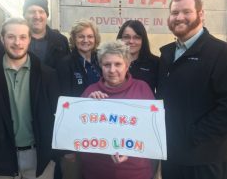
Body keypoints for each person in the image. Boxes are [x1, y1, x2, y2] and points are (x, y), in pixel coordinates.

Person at [0, 17, 59, 179]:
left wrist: (52, 155)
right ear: (2, 39)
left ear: (30, 39)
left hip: (39, 159)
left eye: (23, 37)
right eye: (11, 36)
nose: (17, 42)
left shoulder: (48, 75)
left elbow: (57, 117)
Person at [156, 0, 227, 179]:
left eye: (186, 11)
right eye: (174, 13)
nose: (179, 17)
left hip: (204, 159)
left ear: (201, 14)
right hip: (171, 156)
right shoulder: (167, 54)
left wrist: (194, 135)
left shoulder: (222, 53)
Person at [80, 40, 156, 179]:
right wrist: (87, 105)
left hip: (135, 172)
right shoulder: (90, 91)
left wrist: (131, 149)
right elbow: (78, 131)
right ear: (101, 66)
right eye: (107, 64)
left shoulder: (142, 89)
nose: (112, 70)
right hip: (96, 171)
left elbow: (151, 130)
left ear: (127, 65)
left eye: (118, 64)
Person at [56, 19, 101, 179]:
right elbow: (62, 105)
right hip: (74, 135)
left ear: (95, 39)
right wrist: (67, 148)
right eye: (81, 36)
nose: (86, 40)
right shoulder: (64, 64)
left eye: (90, 36)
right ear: (74, 39)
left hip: (99, 132)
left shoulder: (101, 62)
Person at [0, 0, 70, 68]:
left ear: (47, 15)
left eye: (41, 12)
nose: (37, 16)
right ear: (24, 15)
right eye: (32, 12)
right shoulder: (8, 40)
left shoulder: (60, 41)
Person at [117, 20, 159, 93]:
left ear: (143, 40)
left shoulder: (155, 63)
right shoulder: (112, 62)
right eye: (126, 37)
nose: (131, 41)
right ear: (120, 39)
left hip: (145, 104)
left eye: (136, 37)